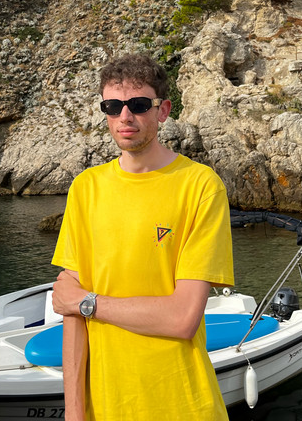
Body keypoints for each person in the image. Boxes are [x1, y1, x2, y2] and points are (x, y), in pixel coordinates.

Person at [52, 53, 234, 420]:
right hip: (104, 408)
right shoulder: (85, 189)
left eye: (137, 105)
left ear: (162, 111)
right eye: (112, 106)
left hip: (183, 406)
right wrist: (73, 412)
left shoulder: (201, 186)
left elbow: (182, 318)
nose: (124, 116)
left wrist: (89, 302)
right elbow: (70, 311)